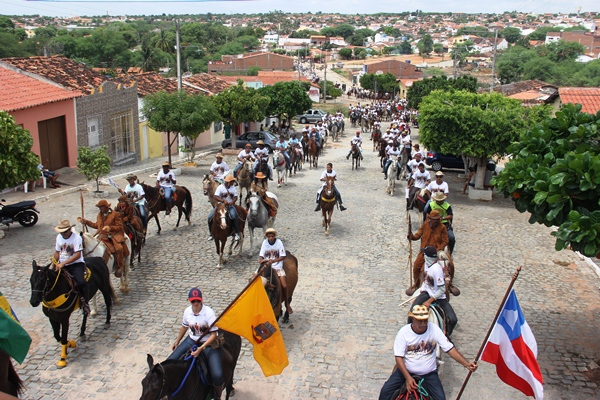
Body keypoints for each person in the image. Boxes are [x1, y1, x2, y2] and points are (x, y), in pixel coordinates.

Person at [378, 304, 477, 400]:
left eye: (425, 320)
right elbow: (399, 357)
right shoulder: (403, 332)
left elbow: (450, 349)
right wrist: (408, 378)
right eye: (420, 321)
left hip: (429, 374)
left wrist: (467, 364)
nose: (423, 324)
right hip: (405, 372)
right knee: (385, 392)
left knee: (441, 398)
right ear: (413, 319)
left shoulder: (434, 329)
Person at [168, 288, 224, 400]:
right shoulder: (187, 312)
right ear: (189, 301)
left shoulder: (209, 313)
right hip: (191, 339)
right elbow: (184, 326)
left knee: (217, 374)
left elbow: (214, 334)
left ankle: (216, 395)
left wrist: (201, 348)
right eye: (193, 301)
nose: (196, 303)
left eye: (198, 301)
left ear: (201, 300)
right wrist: (177, 341)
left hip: (207, 343)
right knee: (170, 361)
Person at [411, 246, 458, 338]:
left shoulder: (437, 270)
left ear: (428, 257)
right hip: (426, 293)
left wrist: (429, 301)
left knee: (453, 319)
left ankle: (447, 336)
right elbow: (425, 280)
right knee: (411, 313)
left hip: (438, 297)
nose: (423, 256)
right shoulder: (426, 265)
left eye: (425, 254)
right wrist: (421, 290)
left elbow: (441, 290)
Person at [78, 200, 129, 278]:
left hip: (113, 235)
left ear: (106, 207)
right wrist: (87, 222)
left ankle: (120, 266)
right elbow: (97, 225)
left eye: (101, 207)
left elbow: (119, 226)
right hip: (101, 235)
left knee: (119, 248)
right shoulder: (99, 215)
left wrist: (110, 228)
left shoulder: (115, 215)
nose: (100, 209)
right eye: (99, 207)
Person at [405, 210, 451, 296]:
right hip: (425, 251)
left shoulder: (442, 227)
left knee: (448, 264)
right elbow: (418, 235)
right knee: (416, 266)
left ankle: (449, 284)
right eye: (433, 219)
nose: (435, 221)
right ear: (430, 219)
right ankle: (416, 284)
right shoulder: (425, 225)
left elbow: (445, 241)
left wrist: (439, 249)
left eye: (437, 219)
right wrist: (412, 237)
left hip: (436, 251)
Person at [250, 228, 293, 314]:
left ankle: (287, 304)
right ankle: (252, 301)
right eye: (269, 236)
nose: (270, 238)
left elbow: (283, 256)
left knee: (284, 285)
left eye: (272, 236)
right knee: (252, 281)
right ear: (267, 236)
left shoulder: (279, 243)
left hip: (277, 267)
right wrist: (262, 260)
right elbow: (261, 255)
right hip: (266, 267)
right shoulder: (265, 242)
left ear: (274, 236)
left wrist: (273, 261)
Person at [52, 220, 90, 315]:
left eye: (64, 231)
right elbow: (57, 252)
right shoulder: (59, 238)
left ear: (69, 230)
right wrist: (53, 265)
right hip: (62, 263)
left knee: (81, 282)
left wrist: (63, 263)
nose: (63, 234)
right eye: (61, 232)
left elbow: (77, 255)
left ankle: (84, 303)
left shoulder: (76, 238)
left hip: (76, 264)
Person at [207, 175, 241, 242]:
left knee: (234, 216)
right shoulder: (220, 187)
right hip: (220, 206)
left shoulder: (233, 188)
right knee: (210, 217)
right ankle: (211, 234)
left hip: (230, 206)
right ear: (228, 182)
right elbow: (216, 196)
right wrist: (222, 201)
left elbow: (235, 197)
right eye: (231, 182)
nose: (232, 183)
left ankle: (237, 233)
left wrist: (232, 202)